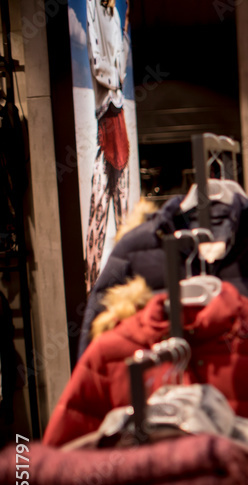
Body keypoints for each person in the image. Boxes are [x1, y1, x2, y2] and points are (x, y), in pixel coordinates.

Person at [85, 0, 131, 291]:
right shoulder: (93, 6)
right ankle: (90, 282)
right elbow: (96, 54)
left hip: (117, 109)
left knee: (122, 206)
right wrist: (113, 78)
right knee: (100, 204)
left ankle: (130, 272)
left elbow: (119, 56)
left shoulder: (116, 13)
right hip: (107, 111)